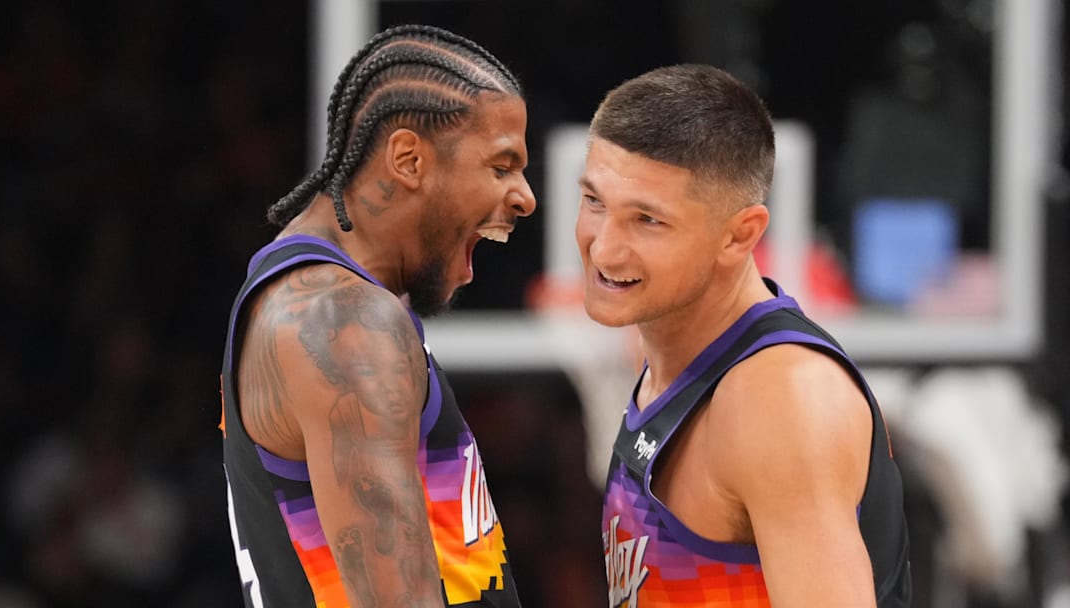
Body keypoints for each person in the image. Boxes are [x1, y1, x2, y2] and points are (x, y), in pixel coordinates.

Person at [219, 24, 535, 607]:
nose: (525, 197)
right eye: (501, 165)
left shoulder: (319, 298)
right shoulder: (342, 323)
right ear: (409, 159)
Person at [579, 64, 911, 607]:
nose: (603, 249)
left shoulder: (777, 398)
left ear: (740, 235)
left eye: (647, 220)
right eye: (595, 202)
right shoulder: (679, 356)